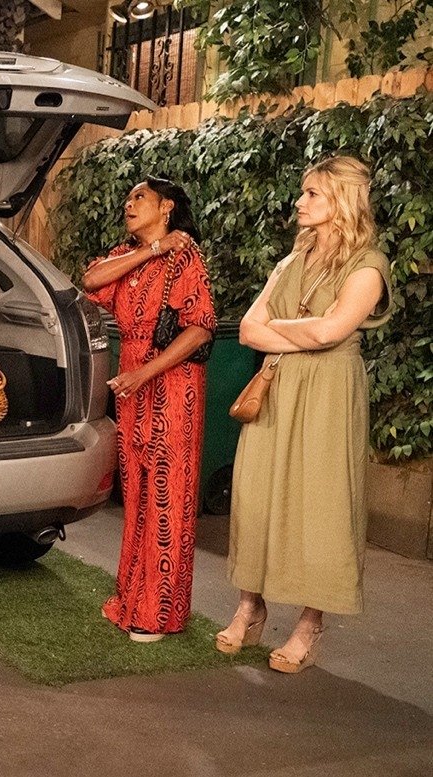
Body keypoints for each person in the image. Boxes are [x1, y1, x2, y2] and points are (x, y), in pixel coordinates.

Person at [217, 156, 391, 672]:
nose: (300, 201)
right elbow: (248, 330)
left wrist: (286, 329)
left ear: (341, 200)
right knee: (257, 493)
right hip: (277, 385)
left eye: (312, 193)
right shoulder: (291, 260)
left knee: (321, 504)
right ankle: (249, 608)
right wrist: (306, 331)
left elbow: (332, 333)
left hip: (329, 392)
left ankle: (309, 624)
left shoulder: (368, 266)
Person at [82, 177, 216, 642]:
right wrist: (151, 249)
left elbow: (200, 328)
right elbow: (91, 280)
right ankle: (131, 599)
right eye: (127, 197)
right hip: (132, 382)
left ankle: (158, 614)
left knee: (167, 494)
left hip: (172, 383)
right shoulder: (131, 255)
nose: (129, 203)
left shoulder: (187, 257)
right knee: (138, 492)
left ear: (167, 207)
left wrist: (146, 373)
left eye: (140, 196)